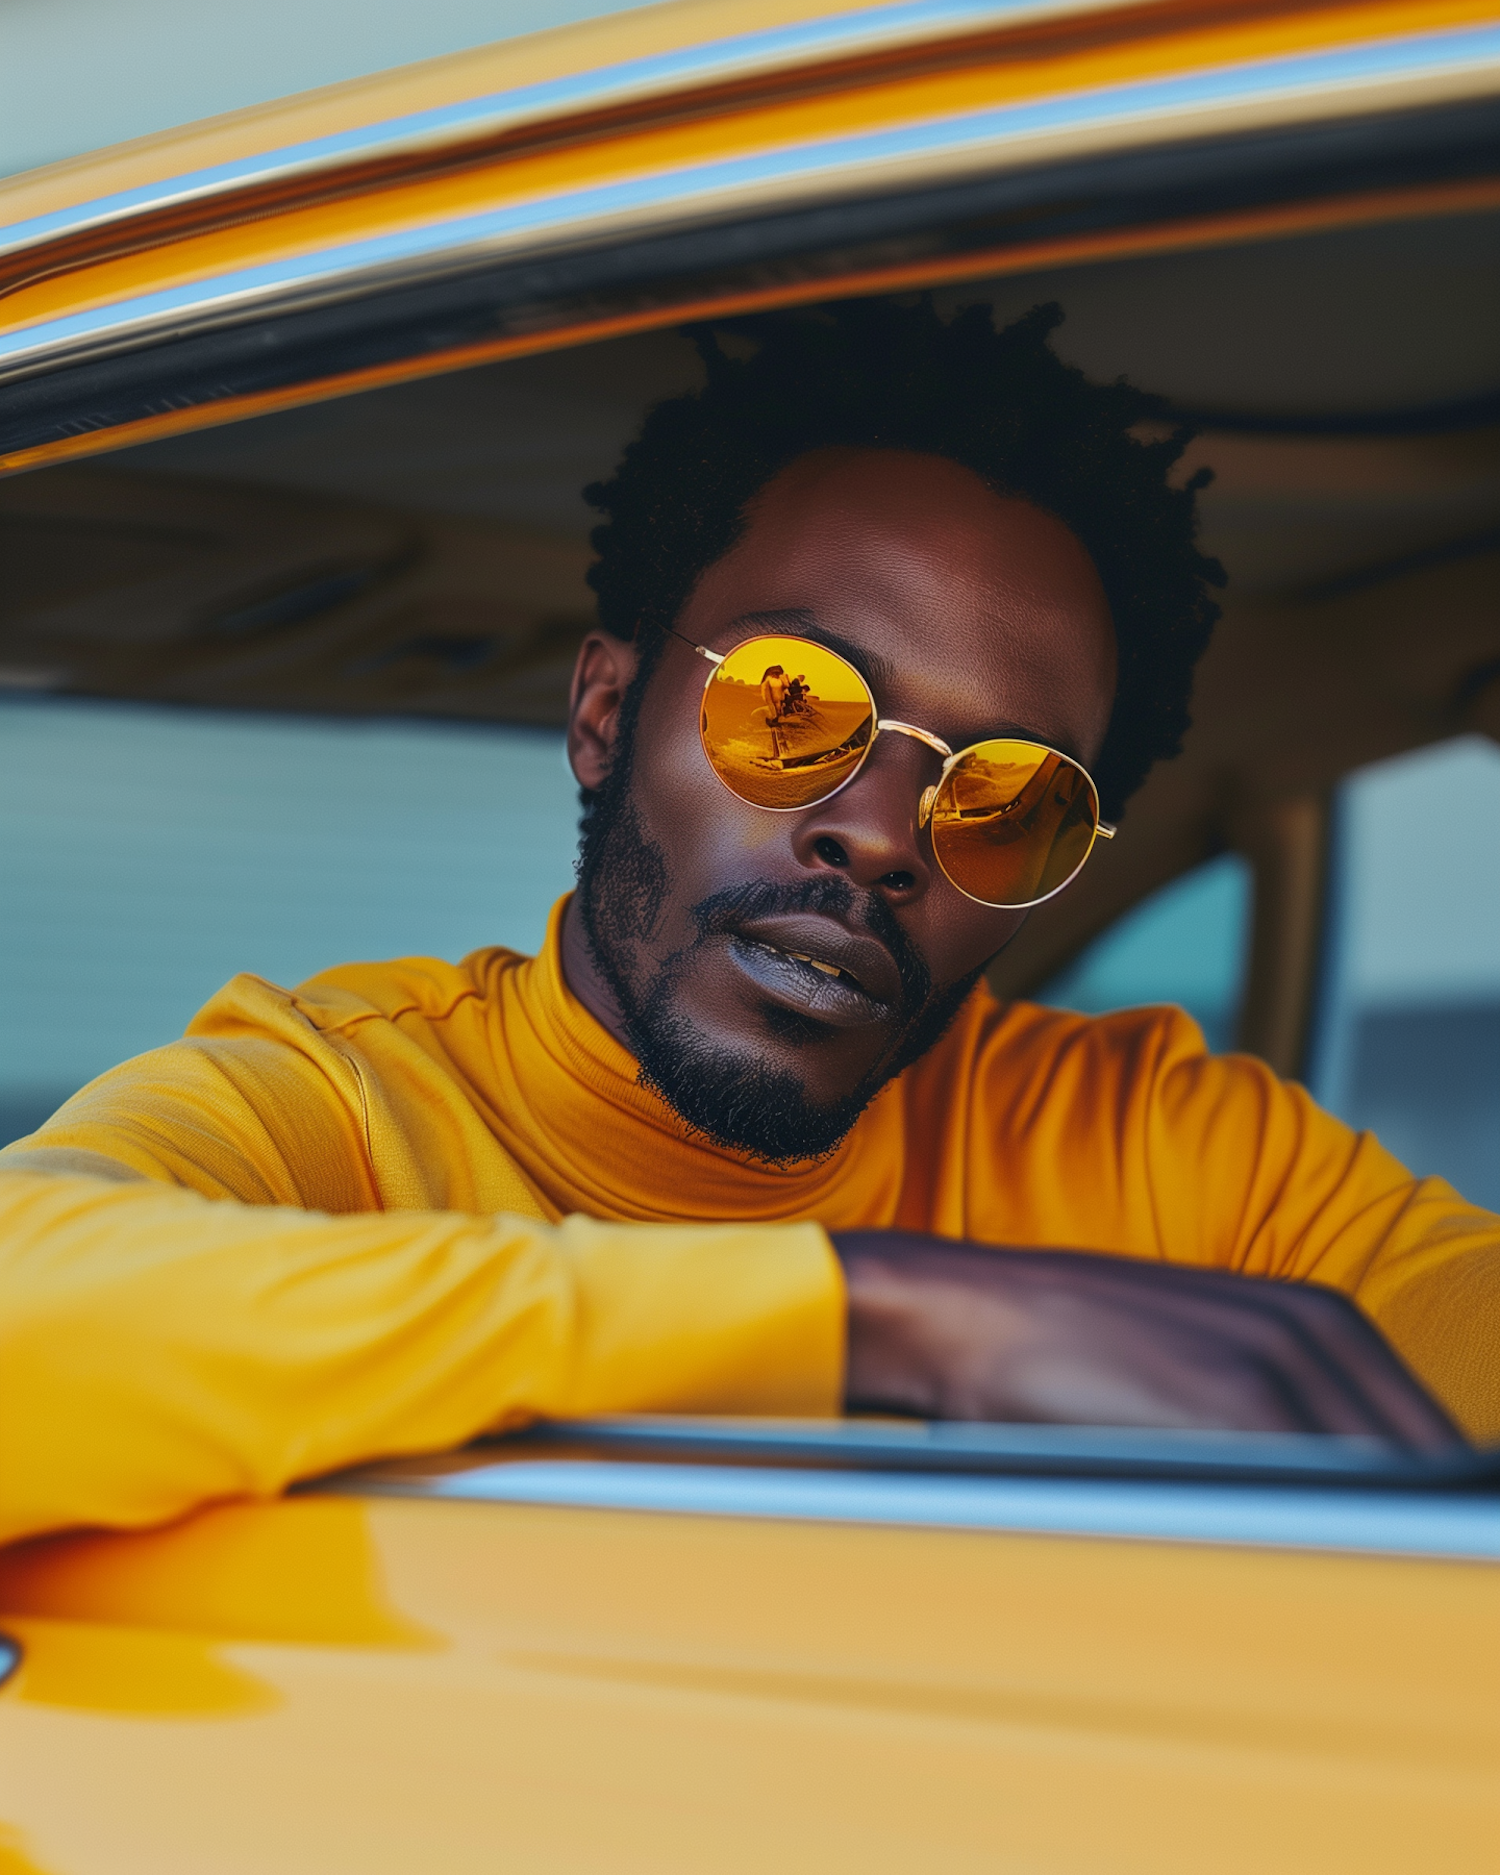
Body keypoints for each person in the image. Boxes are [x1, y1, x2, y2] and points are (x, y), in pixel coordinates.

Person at [1, 300, 1492, 1549]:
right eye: (792, 706)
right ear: (603, 714)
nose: (882, 830)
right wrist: (897, 1319)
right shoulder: (338, 1110)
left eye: (1006, 794)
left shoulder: (1162, 1151)